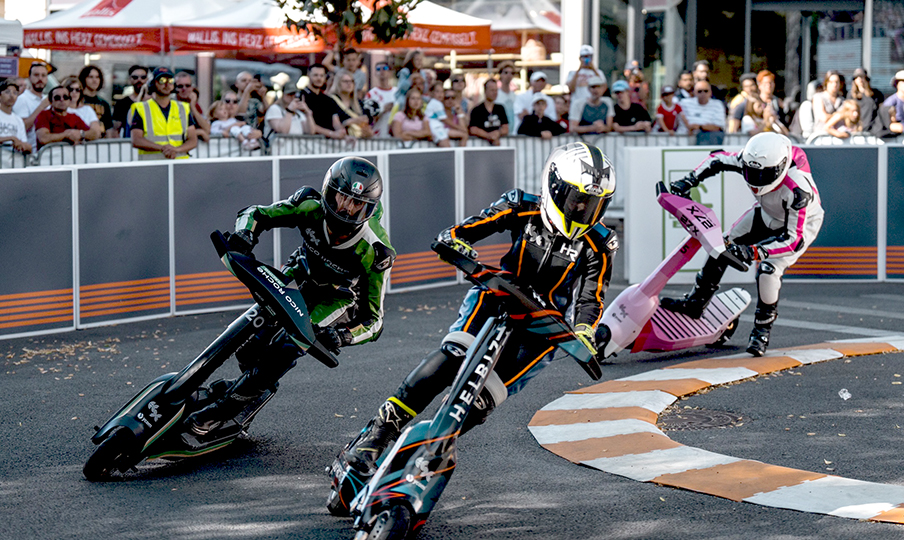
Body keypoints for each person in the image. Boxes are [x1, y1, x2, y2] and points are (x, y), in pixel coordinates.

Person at [337, 141, 617, 478]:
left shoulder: (600, 243)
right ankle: (379, 433)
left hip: (543, 330)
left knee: (484, 398)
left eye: (594, 204)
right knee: (453, 356)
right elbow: (464, 231)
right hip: (496, 299)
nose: (583, 210)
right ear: (554, 186)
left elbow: (591, 296)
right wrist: (457, 242)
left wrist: (585, 329)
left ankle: (426, 452)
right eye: (577, 200)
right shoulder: (521, 206)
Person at [185, 157, 395, 436]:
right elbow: (256, 213)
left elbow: (375, 321)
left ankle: (221, 411)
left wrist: (344, 336)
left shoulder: (377, 250)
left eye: (357, 203)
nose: (346, 208)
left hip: (335, 299)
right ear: (327, 191)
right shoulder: (309, 204)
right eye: (342, 197)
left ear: (368, 207)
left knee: (285, 347)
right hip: (298, 273)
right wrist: (245, 235)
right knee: (250, 346)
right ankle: (243, 391)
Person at [662, 132, 824, 356]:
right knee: (723, 245)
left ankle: (761, 330)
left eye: (763, 174)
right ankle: (696, 303)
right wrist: (689, 179)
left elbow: (793, 241)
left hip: (799, 225)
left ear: (782, 166)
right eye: (751, 172)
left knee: (769, 269)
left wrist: (754, 252)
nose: (756, 180)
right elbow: (717, 159)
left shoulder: (798, 191)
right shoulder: (754, 159)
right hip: (767, 212)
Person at [129, 67, 199, 160]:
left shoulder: (183, 108)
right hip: (152, 166)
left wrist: (176, 150)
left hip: (179, 164)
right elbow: (136, 140)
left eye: (170, 80)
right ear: (154, 83)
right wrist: (163, 149)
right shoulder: (141, 108)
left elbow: (193, 140)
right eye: (162, 80)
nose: (166, 84)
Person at [301, 63, 346, 139]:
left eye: (322, 75)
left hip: (330, 143)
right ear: (308, 75)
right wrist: (331, 133)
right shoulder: (301, 96)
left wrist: (341, 132)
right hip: (310, 142)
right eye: (315, 75)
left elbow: (335, 121)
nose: (319, 78)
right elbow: (305, 122)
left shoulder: (328, 99)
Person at [13, 61, 49, 151]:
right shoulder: (22, 99)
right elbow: (22, 127)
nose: (40, 78)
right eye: (36, 75)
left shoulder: (48, 99)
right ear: (29, 78)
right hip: (30, 152)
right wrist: (41, 107)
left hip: (47, 151)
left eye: (43, 75)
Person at [328, 71, 372, 139]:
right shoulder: (331, 101)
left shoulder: (359, 103)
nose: (349, 84)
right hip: (339, 141)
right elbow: (334, 125)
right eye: (345, 81)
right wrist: (349, 122)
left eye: (351, 81)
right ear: (338, 83)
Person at [468, 79, 510, 145]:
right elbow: (473, 129)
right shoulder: (477, 110)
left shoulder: (500, 108)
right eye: (492, 90)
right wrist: (488, 136)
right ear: (485, 91)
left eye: (496, 90)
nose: (495, 93)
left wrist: (498, 133)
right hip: (480, 146)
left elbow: (505, 128)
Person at [78, 65, 113, 138]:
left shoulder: (104, 104)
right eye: (91, 77)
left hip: (100, 143)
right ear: (84, 79)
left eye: (97, 77)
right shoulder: (78, 101)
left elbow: (109, 128)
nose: (95, 80)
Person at [112, 65, 148, 137]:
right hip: (129, 144)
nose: (139, 80)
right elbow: (116, 130)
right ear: (129, 79)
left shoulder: (153, 102)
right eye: (135, 77)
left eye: (143, 77)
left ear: (147, 79)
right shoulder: (121, 103)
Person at [175, 71, 210, 141]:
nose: (184, 89)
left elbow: (207, 129)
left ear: (192, 88)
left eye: (187, 85)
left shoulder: (194, 105)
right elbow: (175, 132)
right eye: (180, 86)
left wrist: (193, 107)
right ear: (174, 88)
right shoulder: (171, 103)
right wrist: (199, 132)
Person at [364, 61, 396, 138]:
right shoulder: (371, 94)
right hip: (378, 135)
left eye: (385, 68)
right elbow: (367, 118)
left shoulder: (397, 92)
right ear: (375, 73)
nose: (382, 71)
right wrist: (382, 110)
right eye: (378, 69)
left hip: (394, 135)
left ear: (390, 72)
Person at [0, 79, 32, 154]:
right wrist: (12, 138)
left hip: (14, 162)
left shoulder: (18, 120)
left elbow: (26, 144)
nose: (11, 96)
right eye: (7, 92)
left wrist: (24, 146)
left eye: (15, 93)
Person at [848, 67, 883, 133]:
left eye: (862, 77)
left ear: (867, 79)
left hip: (874, 130)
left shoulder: (876, 94)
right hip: (856, 130)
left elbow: (881, 111)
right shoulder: (851, 95)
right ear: (854, 80)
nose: (860, 80)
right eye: (857, 78)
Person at [882, 70, 904, 134]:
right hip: (895, 139)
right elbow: (884, 124)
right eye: (903, 81)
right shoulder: (890, 102)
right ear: (897, 84)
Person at [424, 81, 451, 147]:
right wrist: (460, 128)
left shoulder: (437, 103)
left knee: (463, 135)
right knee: (447, 148)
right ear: (432, 93)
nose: (440, 94)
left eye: (442, 92)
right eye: (437, 91)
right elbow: (445, 120)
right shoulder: (436, 103)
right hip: (435, 129)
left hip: (439, 128)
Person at [494, 61, 517, 134]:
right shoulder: (495, 95)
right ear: (500, 74)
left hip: (514, 132)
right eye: (506, 72)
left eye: (512, 73)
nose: (509, 75)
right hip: (500, 132)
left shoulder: (515, 96)